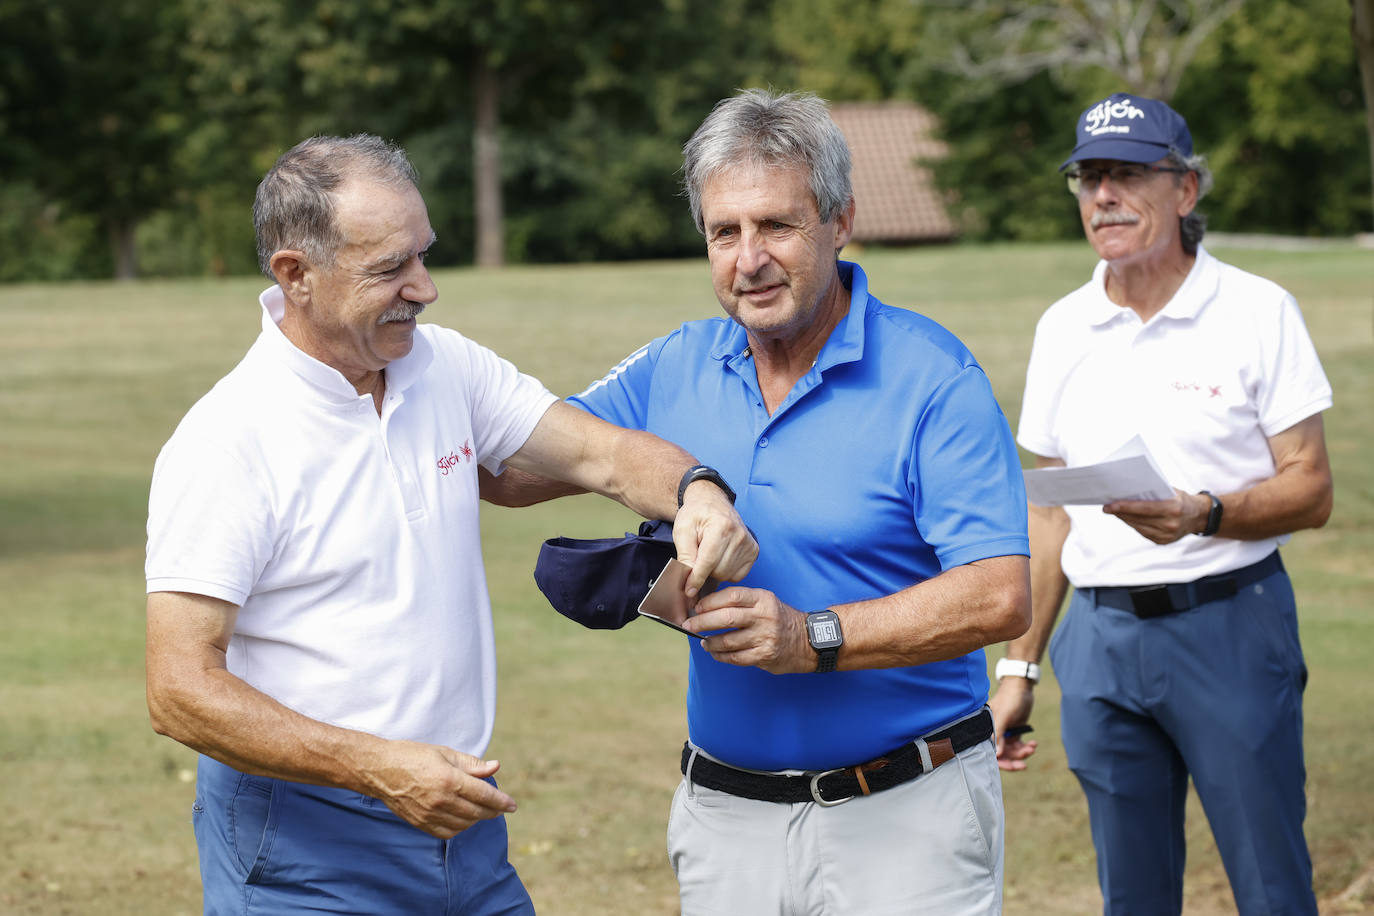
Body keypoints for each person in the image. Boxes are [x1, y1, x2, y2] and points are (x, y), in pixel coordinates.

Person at [143, 134, 757, 915]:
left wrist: (695, 490)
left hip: (459, 819)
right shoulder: (228, 440)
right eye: (390, 268)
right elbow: (179, 689)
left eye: (424, 255)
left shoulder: (444, 366)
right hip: (303, 851)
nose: (425, 288)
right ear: (295, 274)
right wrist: (378, 769)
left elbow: (601, 454)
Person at [483, 89, 1032, 915]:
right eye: (724, 232)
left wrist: (810, 638)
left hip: (906, 816)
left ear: (839, 221)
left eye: (776, 226)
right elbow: (511, 470)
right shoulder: (675, 365)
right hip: (726, 819)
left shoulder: (933, 379)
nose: (749, 259)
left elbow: (998, 593)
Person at [988, 93, 1334, 915]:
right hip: (1100, 647)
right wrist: (1019, 666)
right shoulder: (1062, 328)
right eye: (1089, 177)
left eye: (1129, 175)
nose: (1103, 195)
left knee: (1270, 888)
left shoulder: (1256, 312)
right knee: (1132, 897)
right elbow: (1050, 514)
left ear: (1186, 190)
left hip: (1230, 630)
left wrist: (1203, 513)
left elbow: (1312, 487)